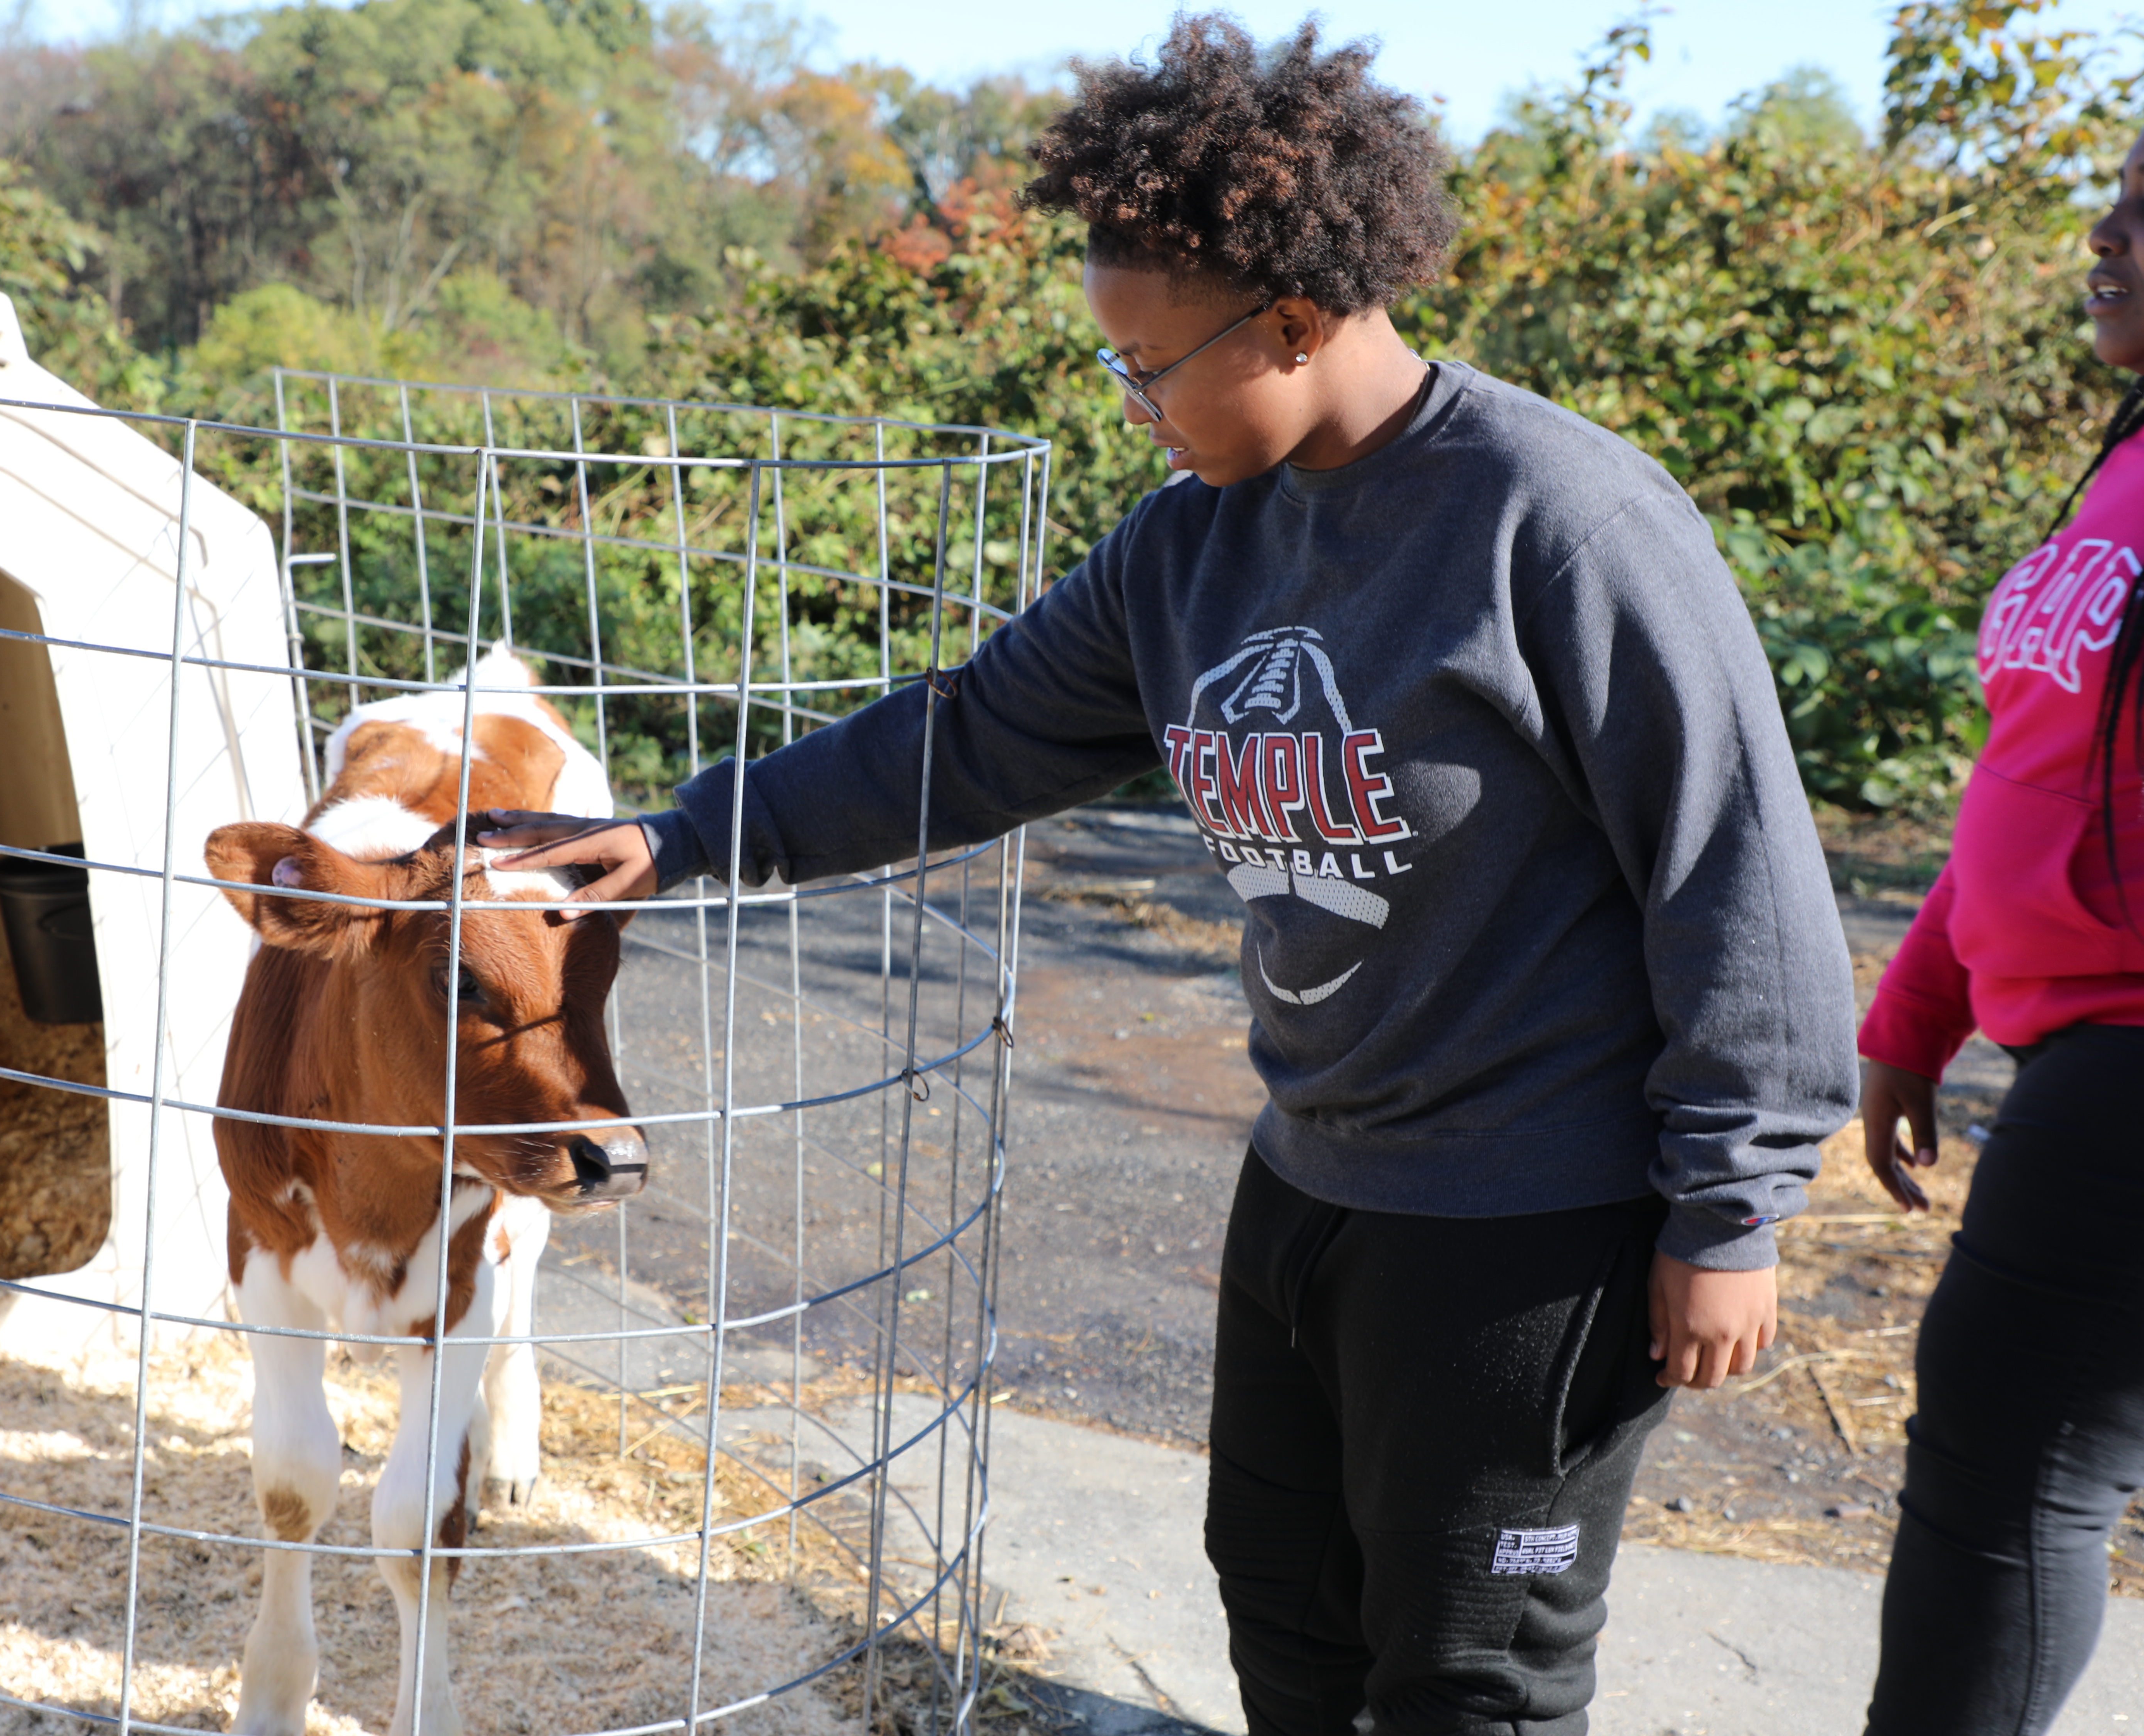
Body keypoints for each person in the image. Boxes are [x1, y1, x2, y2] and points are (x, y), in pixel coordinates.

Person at [486, 17, 1857, 1734]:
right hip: (1310, 1181)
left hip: (1531, 1224)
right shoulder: (1189, 546)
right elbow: (972, 735)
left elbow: (1732, 869)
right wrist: (696, 835)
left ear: (1294, 318)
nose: (1135, 409)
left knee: (1471, 1679)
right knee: (1286, 1623)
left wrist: (1736, 1204)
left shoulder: (1557, 526)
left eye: (1152, 365)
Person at [1853, 127, 2144, 1736]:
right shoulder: (2127, 462)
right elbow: (2038, 773)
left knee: (2010, 1477)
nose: (2104, 233)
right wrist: (1914, 1014)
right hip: (2074, 1053)